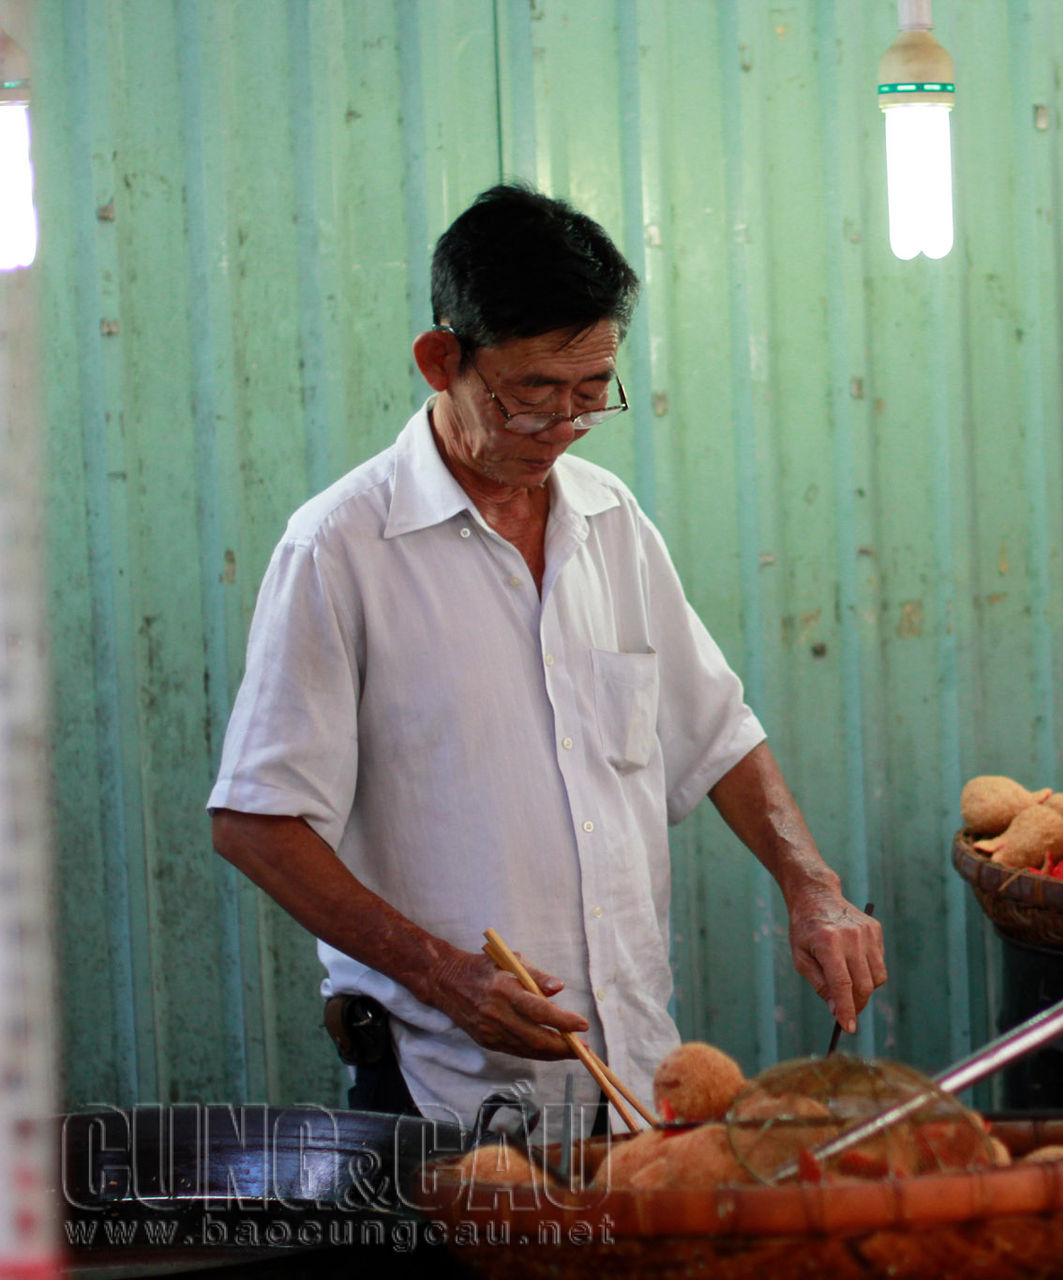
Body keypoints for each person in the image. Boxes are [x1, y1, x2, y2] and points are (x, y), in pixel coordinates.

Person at [207, 184, 884, 1127]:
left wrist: (814, 888)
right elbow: (255, 823)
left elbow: (718, 735)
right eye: (530, 393)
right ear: (441, 360)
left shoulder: (611, 522)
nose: (560, 427)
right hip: (440, 1088)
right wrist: (446, 978)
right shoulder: (340, 549)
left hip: (633, 1069)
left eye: (589, 394)